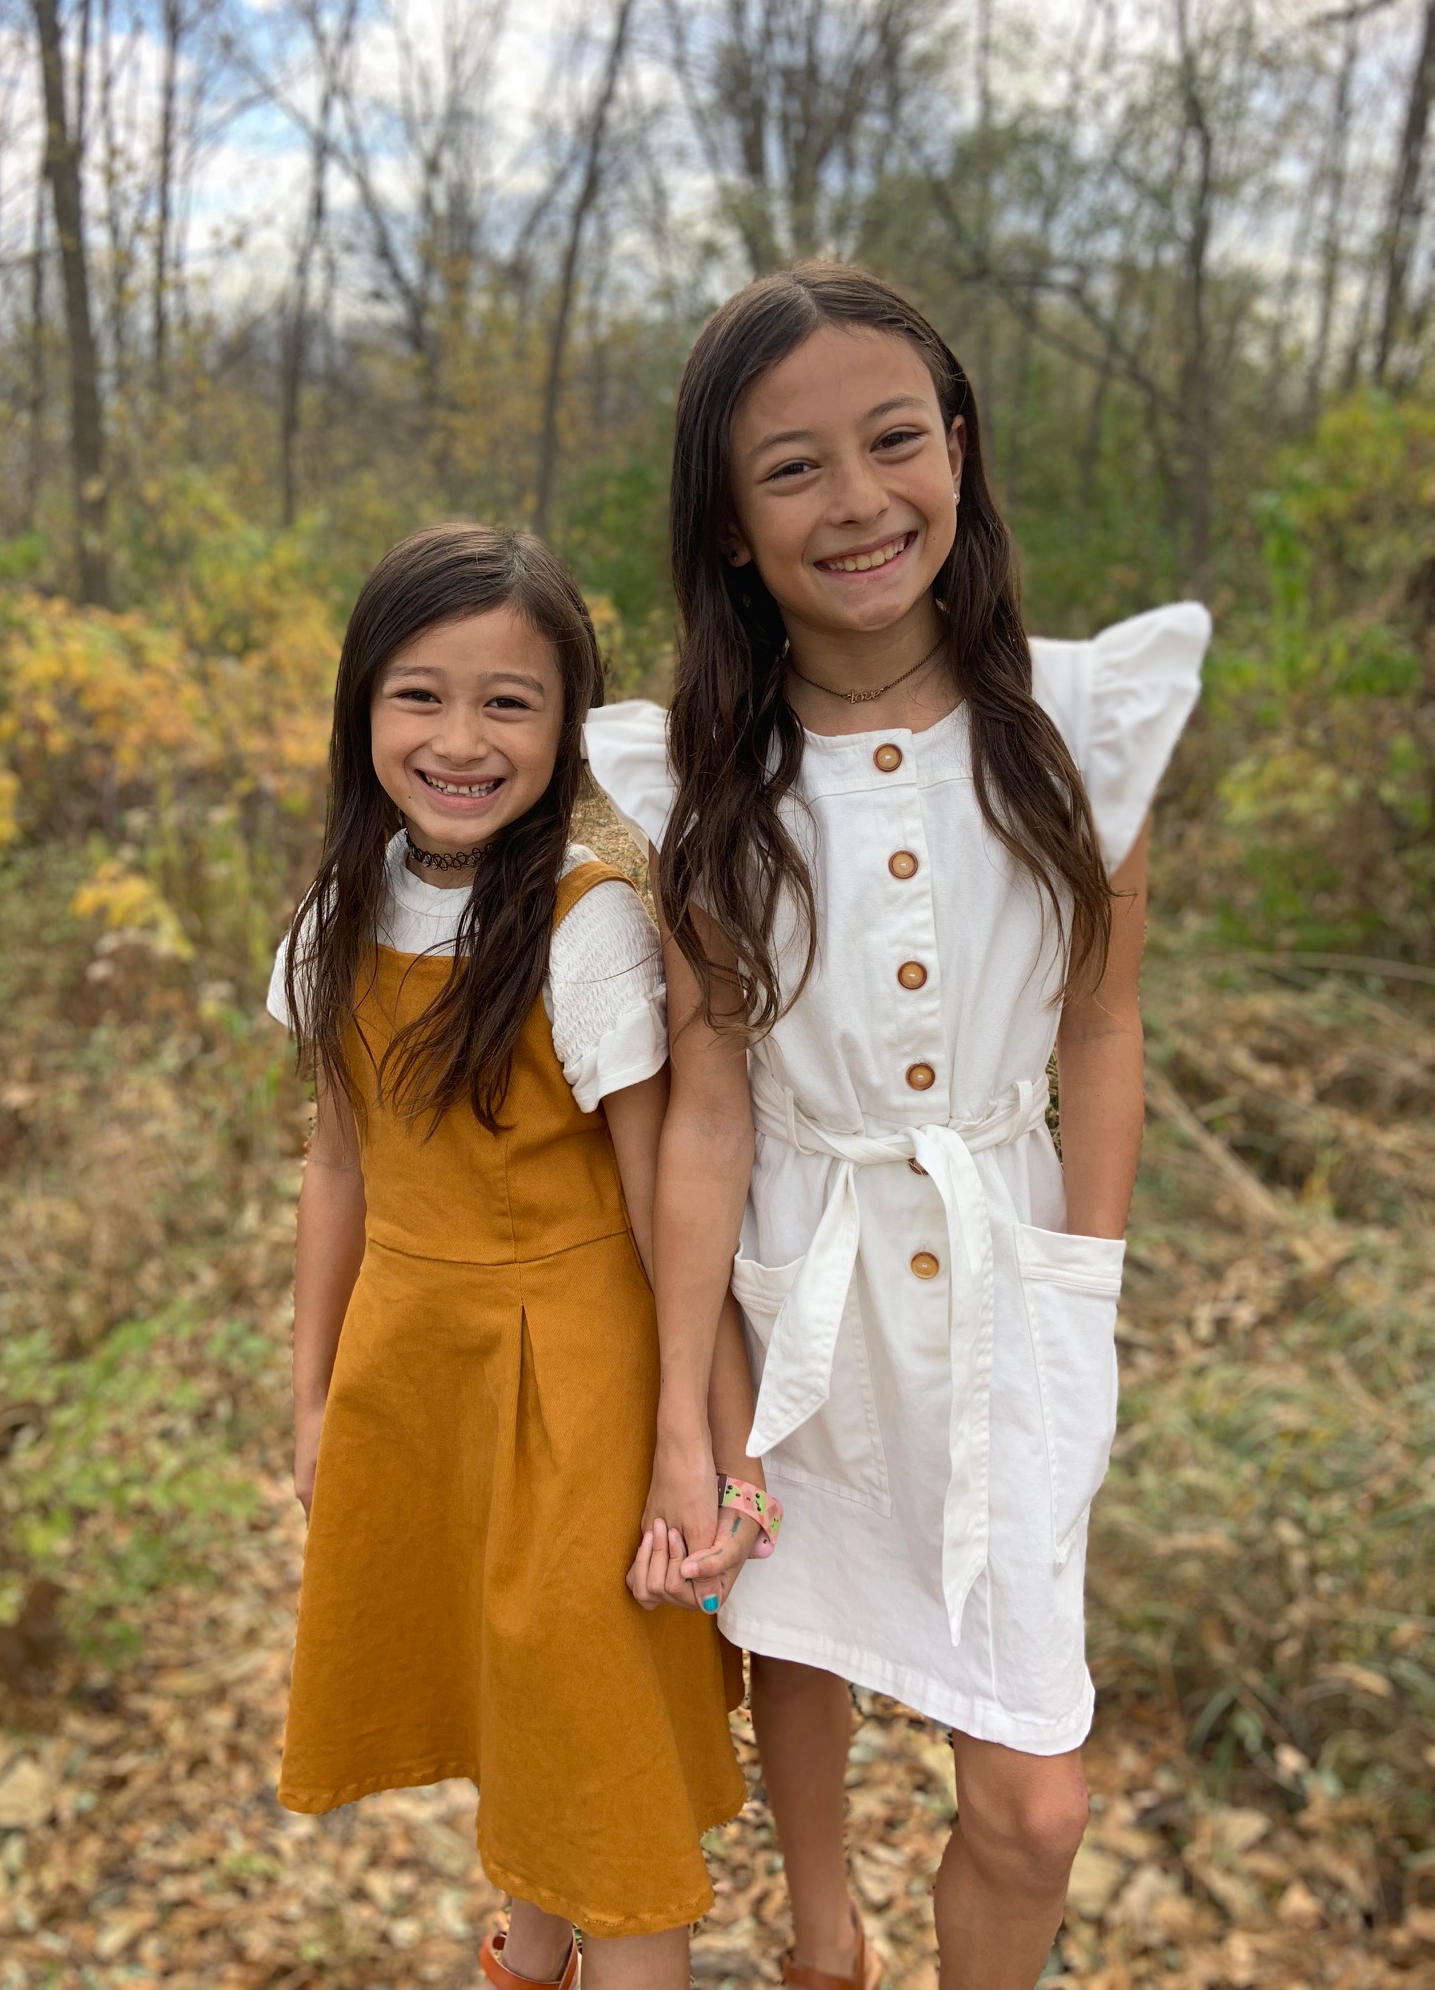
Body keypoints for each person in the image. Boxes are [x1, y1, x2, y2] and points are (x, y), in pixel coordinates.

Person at [588, 265, 1210, 1990]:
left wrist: (1081, 1281)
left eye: (892, 441)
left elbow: (1102, 1023)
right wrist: (683, 1413)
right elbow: (710, 1113)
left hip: (1008, 1274)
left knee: (1032, 1807)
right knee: (800, 1629)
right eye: (793, 468)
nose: (858, 501)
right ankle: (823, 1938)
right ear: (729, 524)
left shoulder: (1079, 726)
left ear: (958, 445)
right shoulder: (703, 781)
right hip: (801, 1264)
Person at [268, 523, 772, 1990]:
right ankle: (528, 1959)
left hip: (578, 1395)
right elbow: (340, 1164)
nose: (460, 740)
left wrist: (705, 1446)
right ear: (363, 707)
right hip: (419, 1378)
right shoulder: (339, 914)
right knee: (520, 1730)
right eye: (419, 696)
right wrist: (313, 1396)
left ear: (568, 725)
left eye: (510, 702)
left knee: (604, 1777)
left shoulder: (586, 927)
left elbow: (665, 1217)